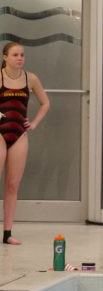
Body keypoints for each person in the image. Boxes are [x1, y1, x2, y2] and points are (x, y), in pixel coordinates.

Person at [1, 43, 50, 246]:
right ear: (5, 57)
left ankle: (7, 233)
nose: (19, 58)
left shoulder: (31, 78)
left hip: (20, 135)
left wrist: (35, 123)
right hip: (0, 134)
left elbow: (45, 102)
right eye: (15, 55)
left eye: (22, 54)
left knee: (13, 185)